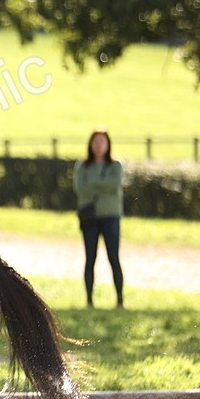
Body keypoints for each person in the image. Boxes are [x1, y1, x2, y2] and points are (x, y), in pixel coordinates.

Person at [73, 128, 124, 308]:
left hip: (111, 217)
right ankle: (89, 300)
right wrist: (103, 186)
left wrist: (92, 184)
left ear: (108, 144)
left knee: (113, 258)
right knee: (90, 258)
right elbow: (80, 189)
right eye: (96, 141)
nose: (99, 145)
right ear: (90, 144)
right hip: (90, 217)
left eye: (102, 141)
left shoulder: (115, 166)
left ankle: (119, 299)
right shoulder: (82, 166)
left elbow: (114, 186)